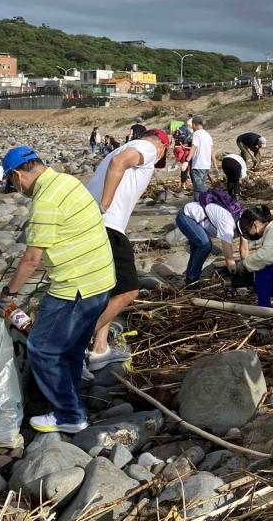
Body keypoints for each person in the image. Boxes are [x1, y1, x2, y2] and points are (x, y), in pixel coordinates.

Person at [0, 147, 115, 434]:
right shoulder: (67, 181)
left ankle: (69, 414)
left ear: (17, 175)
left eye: (11, 182)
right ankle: (73, 401)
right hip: (101, 280)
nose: (13, 188)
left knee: (43, 348)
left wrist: (8, 294)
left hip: (76, 288)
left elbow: (31, 259)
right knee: (70, 348)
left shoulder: (45, 201)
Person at [85, 129, 169, 371]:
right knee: (128, 291)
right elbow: (118, 163)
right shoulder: (149, 147)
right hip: (107, 226)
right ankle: (75, 341)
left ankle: (99, 348)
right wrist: (106, 203)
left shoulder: (118, 148)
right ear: (162, 145)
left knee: (105, 290)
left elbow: (116, 161)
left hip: (91, 225)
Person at [175, 197, 244, 286]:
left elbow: (244, 250)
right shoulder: (227, 223)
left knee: (196, 251)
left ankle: (190, 281)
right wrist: (235, 276)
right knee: (205, 245)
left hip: (196, 220)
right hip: (186, 216)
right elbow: (229, 258)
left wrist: (246, 268)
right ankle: (192, 280)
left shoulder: (245, 222)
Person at [188, 117, 217, 201]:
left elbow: (194, 147)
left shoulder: (197, 133)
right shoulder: (208, 135)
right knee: (197, 188)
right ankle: (197, 204)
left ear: (194, 125)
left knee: (198, 185)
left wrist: (187, 160)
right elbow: (212, 150)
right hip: (206, 165)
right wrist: (214, 164)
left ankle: (213, 196)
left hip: (198, 164)